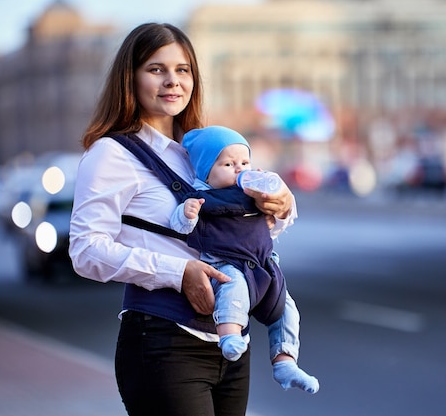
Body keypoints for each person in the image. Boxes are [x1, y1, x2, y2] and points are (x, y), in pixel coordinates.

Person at [68, 23, 298, 416]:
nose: (172, 81)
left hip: (228, 344)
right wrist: (178, 272)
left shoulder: (205, 149)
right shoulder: (112, 154)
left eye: (183, 69)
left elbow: (247, 226)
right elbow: (86, 251)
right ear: (131, 77)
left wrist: (284, 203)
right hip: (163, 341)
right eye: (156, 69)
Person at [170, 125, 319, 394]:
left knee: (286, 307)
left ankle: (285, 361)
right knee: (233, 287)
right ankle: (229, 336)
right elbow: (179, 227)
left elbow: (272, 228)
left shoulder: (254, 194)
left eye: (244, 162)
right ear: (205, 171)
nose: (239, 169)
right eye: (228, 164)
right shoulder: (201, 196)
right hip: (226, 262)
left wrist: (276, 208)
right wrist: (186, 214)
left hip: (263, 266)